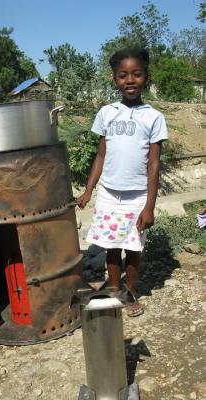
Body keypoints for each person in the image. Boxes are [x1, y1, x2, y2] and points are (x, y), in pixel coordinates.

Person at [77, 48, 168, 317]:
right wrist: (88, 190)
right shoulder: (107, 113)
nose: (130, 80)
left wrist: (149, 206)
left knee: (134, 248)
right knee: (112, 246)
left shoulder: (153, 117)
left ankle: (130, 293)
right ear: (114, 79)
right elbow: (101, 155)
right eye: (123, 75)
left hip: (137, 195)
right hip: (108, 193)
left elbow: (154, 164)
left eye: (136, 74)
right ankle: (116, 291)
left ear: (146, 77)